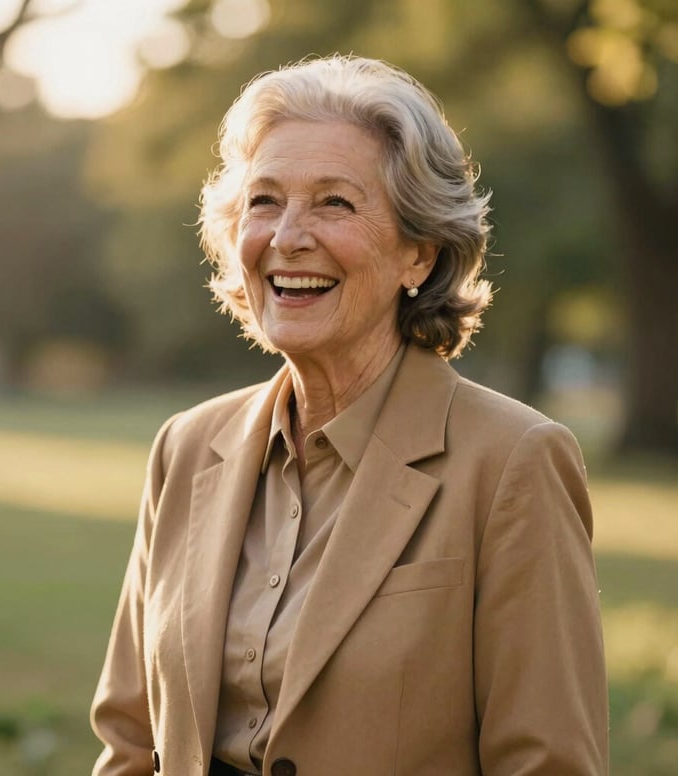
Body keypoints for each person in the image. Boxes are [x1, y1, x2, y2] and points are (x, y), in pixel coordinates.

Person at [90, 55, 608, 776]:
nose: (287, 237)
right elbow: (129, 742)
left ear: (419, 254)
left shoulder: (513, 462)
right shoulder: (186, 447)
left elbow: (546, 765)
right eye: (264, 201)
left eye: (334, 203)